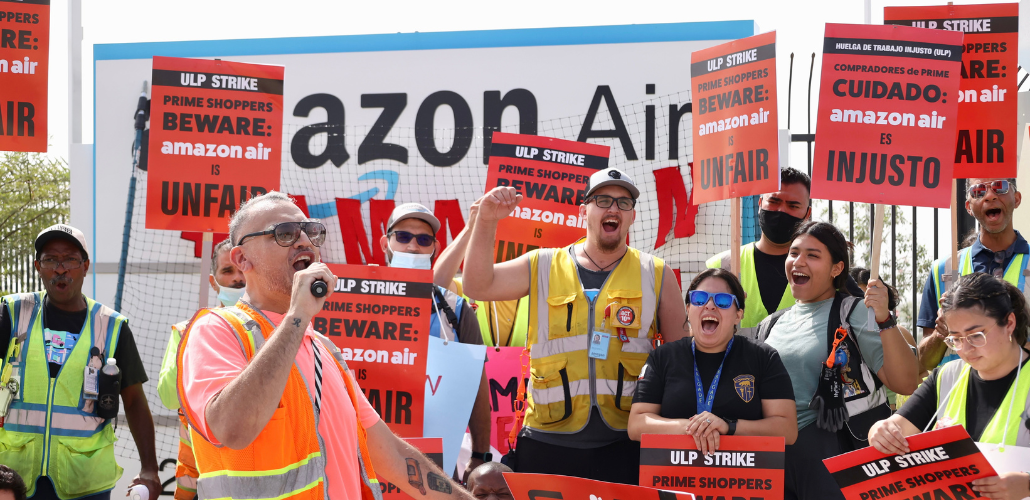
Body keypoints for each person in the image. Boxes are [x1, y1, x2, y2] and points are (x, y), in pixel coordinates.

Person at [177, 192, 473, 500]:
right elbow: (232, 428)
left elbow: (394, 456)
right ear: (241, 259)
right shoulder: (216, 330)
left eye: (310, 231)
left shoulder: (323, 349)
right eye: (284, 233)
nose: (304, 241)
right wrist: (298, 314)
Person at [462, 167, 689, 484]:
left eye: (624, 202)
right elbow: (477, 285)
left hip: (626, 443)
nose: (613, 209)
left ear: (633, 216)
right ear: (584, 211)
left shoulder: (656, 273)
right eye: (603, 200)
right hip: (547, 441)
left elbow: (681, 361)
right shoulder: (542, 264)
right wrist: (487, 221)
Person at [757, 221, 919, 500]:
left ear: (837, 269)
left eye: (813, 255)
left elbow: (905, 382)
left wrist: (884, 319)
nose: (799, 261)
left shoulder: (853, 312)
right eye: (794, 253)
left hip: (834, 455)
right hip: (775, 460)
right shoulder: (770, 325)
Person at [0, 224, 161, 500]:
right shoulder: (13, 313)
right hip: (15, 481)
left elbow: (134, 400)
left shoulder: (112, 326)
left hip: (86, 484)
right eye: (51, 259)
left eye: (71, 260)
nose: (60, 269)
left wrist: (149, 469)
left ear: (85, 266)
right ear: (38, 266)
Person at [869, 273, 1030, 500]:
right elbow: (895, 427)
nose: (965, 349)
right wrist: (880, 431)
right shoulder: (946, 377)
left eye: (976, 335)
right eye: (955, 338)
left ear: (1009, 323)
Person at [628, 268, 797, 455]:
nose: (709, 305)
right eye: (699, 299)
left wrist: (729, 426)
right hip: (674, 477)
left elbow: (787, 430)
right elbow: (636, 425)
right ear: (688, 309)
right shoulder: (663, 357)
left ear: (738, 315)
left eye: (723, 301)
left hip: (742, 478)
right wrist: (693, 427)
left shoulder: (763, 357)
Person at [379, 202, 493, 480]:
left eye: (423, 239)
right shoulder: (355, 299)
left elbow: (476, 383)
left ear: (434, 248)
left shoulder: (455, 310)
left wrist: (480, 454)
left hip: (434, 458)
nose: (413, 247)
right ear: (386, 243)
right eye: (403, 237)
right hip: (369, 451)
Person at [156, 238, 246, 500]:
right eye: (227, 271)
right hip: (198, 479)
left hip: (257, 476)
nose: (237, 279)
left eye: (242, 269)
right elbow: (169, 398)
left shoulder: (275, 333)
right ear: (213, 281)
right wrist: (193, 338)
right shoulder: (188, 331)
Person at [918, 178, 1028, 372]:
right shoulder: (942, 270)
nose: (990, 195)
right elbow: (924, 363)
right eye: (978, 191)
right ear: (968, 207)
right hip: (960, 396)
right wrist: (941, 333)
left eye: (999, 187)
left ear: (1017, 199)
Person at [707, 168, 813, 329]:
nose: (781, 211)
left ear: (807, 214)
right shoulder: (720, 266)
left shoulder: (823, 270)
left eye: (793, 205)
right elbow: (697, 332)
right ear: (760, 204)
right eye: (774, 202)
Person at [433, 197, 528, 348]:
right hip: (473, 370)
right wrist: (470, 227)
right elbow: (435, 286)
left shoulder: (543, 286)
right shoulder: (465, 287)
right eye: (489, 237)